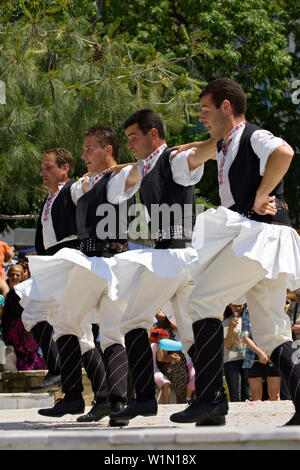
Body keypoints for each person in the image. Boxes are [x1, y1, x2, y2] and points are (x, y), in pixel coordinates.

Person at [169, 78, 300, 427]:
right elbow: (202, 145)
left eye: (205, 109)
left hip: (258, 236)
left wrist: (262, 193)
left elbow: (284, 152)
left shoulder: (253, 135)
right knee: (273, 332)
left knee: (200, 302)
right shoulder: (224, 144)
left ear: (227, 107)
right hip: (267, 240)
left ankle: (211, 400)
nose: (201, 117)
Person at [22, 125, 136, 425]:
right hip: (79, 263)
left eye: (89, 149)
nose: (43, 173)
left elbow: (129, 173)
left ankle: (76, 385)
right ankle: (105, 400)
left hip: (90, 262)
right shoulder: (67, 191)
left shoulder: (91, 184)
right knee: (83, 333)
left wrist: (129, 165)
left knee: (81, 328)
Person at [109, 108, 215, 423]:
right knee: (191, 333)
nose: (129, 143)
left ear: (153, 134)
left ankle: (144, 398)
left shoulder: (174, 160)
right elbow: (132, 167)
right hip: (185, 259)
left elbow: (202, 154)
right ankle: (208, 399)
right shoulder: (150, 164)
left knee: (131, 321)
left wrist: (207, 142)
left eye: (133, 137)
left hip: (171, 256)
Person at [17, 147, 80, 393]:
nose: (42, 173)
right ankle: (67, 379)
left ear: (65, 169)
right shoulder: (49, 197)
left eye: (48, 167)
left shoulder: (73, 189)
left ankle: (61, 372)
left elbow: (92, 186)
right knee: (36, 314)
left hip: (68, 261)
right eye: (42, 168)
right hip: (51, 263)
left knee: (38, 314)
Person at [2, 265, 46, 371]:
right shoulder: (11, 292)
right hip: (17, 337)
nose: (15, 277)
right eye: (12, 274)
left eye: (18, 274)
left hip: (25, 336)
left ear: (22, 276)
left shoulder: (25, 291)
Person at [241, 307, 281, 401]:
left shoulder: (273, 307)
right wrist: (260, 353)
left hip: (272, 353)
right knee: (256, 396)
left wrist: (269, 352)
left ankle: (276, 415)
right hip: (252, 356)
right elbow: (244, 336)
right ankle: (257, 415)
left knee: (274, 395)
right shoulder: (248, 310)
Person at [223, 304, 250, 402]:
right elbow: (228, 345)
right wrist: (230, 328)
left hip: (247, 359)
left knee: (247, 395)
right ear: (230, 306)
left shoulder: (247, 319)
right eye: (235, 306)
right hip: (232, 360)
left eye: (240, 306)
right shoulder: (226, 322)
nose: (237, 308)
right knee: (236, 395)